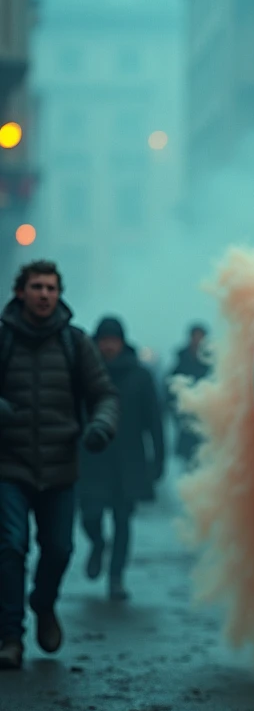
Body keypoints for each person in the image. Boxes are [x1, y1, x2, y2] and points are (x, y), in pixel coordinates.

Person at [0, 260, 118, 670]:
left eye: (51, 287)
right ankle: (10, 636)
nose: (45, 294)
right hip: (9, 467)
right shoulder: (4, 340)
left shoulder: (75, 343)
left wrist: (101, 426)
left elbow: (103, 395)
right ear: (21, 292)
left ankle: (43, 604)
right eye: (37, 287)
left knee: (60, 549)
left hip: (60, 468)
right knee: (11, 548)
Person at [79, 317, 164, 601]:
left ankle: (116, 577)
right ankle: (97, 544)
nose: (108, 347)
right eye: (104, 341)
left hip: (128, 461)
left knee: (122, 521)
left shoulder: (140, 375)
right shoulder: (84, 373)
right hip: (91, 459)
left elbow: (154, 420)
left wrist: (158, 459)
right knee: (90, 516)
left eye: (113, 341)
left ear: (122, 342)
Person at [166, 322, 210, 470]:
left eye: (201, 338)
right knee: (188, 468)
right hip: (186, 426)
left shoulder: (212, 363)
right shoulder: (180, 364)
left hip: (209, 427)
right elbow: (169, 392)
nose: (197, 342)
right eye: (195, 337)